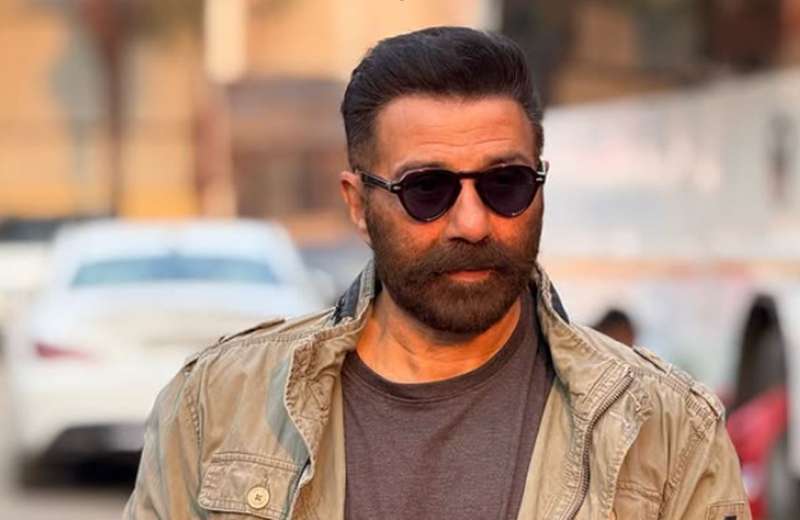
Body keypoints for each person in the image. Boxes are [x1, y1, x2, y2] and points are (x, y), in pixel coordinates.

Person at [124, 27, 749, 519]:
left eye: (505, 184)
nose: (472, 223)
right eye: (427, 189)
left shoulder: (666, 430)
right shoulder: (217, 406)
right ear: (358, 205)